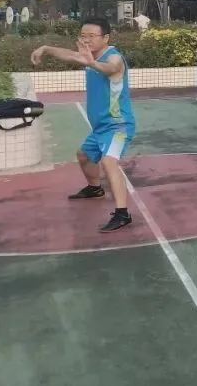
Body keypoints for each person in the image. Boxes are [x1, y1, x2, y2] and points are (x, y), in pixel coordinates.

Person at [30, 18, 137, 232]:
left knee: (108, 161)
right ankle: (95, 189)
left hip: (118, 126)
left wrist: (91, 63)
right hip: (100, 127)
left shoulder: (113, 57)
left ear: (105, 38)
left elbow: (110, 68)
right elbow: (69, 55)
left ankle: (122, 214)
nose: (86, 40)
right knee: (84, 155)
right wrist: (46, 48)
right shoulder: (90, 56)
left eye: (91, 36)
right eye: (83, 36)